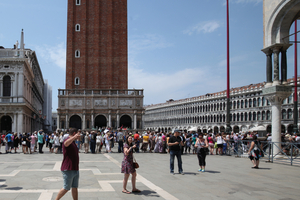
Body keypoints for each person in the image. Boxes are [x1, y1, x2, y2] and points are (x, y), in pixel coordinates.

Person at [55, 128, 81, 200]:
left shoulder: (73, 142)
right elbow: (65, 143)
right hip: (68, 168)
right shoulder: (67, 141)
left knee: (75, 187)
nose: (79, 136)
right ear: (74, 133)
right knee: (66, 188)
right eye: (78, 134)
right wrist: (74, 137)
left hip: (75, 168)